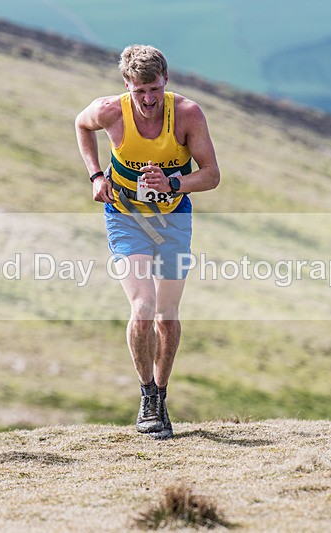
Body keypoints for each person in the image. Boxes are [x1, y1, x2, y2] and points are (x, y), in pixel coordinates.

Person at [75, 44, 220, 440]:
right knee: (143, 307)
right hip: (126, 216)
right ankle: (146, 395)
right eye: (140, 92)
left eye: (155, 89)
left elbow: (211, 174)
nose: (149, 100)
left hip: (173, 218)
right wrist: (96, 176)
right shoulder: (110, 111)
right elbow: (81, 125)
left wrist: (173, 182)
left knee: (166, 316)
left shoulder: (187, 114)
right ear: (127, 86)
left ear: (166, 80)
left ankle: (161, 392)